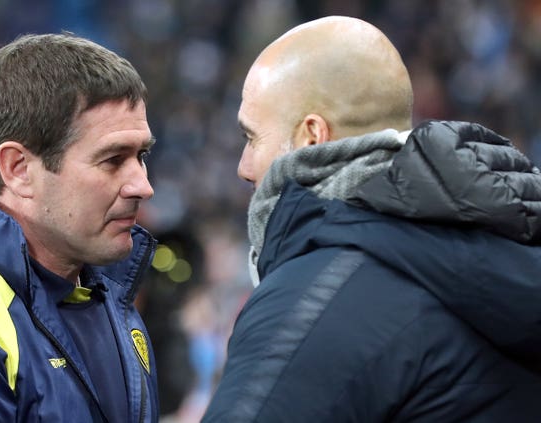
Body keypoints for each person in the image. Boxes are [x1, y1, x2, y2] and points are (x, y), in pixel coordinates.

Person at [203, 16, 541, 422]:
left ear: (312, 136)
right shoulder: (506, 247)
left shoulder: (311, 298)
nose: (243, 166)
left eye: (251, 137)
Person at [0, 33, 159, 422]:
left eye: (141, 155)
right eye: (112, 159)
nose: (143, 185)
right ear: (18, 169)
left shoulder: (109, 297)